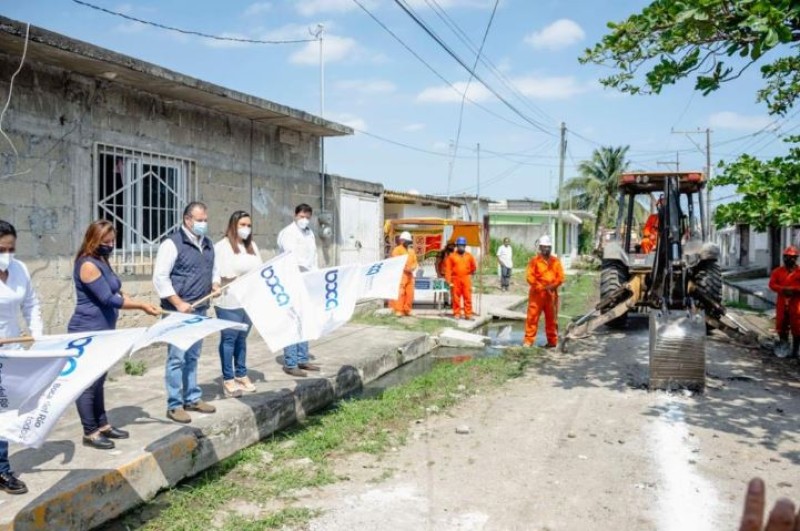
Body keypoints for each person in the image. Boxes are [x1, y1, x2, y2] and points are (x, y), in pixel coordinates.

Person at [69, 220, 160, 449]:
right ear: (93, 240)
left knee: (99, 380)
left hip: (104, 330)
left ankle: (103, 425)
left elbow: (117, 292)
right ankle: (90, 432)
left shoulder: (102, 261)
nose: (110, 245)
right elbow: (107, 299)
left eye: (113, 241)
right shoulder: (87, 264)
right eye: (105, 241)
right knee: (87, 383)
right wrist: (140, 306)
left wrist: (144, 304)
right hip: (87, 330)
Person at [153, 202, 221, 423]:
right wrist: (178, 302)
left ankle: (192, 397)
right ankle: (174, 404)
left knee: (193, 355)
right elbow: (160, 278)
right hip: (178, 312)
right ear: (187, 220)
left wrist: (215, 285)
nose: (203, 224)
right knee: (177, 358)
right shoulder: (172, 244)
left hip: (200, 308)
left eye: (205, 220)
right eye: (199, 220)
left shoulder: (208, 244)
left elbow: (214, 269)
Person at [0, 220, 40, 494]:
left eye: (11, 248)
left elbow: (31, 303)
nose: (7, 254)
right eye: (2, 249)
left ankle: (1, 470)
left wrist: (37, 337)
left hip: (10, 353)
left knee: (4, 412)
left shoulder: (19, 269)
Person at [214, 211, 261, 397]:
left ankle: (241, 373)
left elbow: (260, 269)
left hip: (248, 299)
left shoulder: (252, 246)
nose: (246, 229)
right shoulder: (222, 246)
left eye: (248, 225)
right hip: (229, 300)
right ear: (233, 225)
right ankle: (228, 378)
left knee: (242, 339)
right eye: (242, 225)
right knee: (229, 339)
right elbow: (217, 271)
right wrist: (216, 284)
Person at [277, 204, 319, 377]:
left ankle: (302, 358)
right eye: (301, 216)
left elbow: (314, 257)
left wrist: (315, 278)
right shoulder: (287, 233)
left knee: (304, 319)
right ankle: (290, 362)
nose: (304, 219)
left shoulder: (310, 233)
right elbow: (291, 256)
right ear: (295, 215)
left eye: (307, 217)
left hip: (306, 281)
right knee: (292, 321)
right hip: (290, 281)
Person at [523, 235, 564, 348]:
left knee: (551, 319)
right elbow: (529, 277)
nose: (547, 249)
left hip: (551, 294)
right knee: (532, 317)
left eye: (549, 247)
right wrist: (539, 286)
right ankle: (528, 341)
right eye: (545, 247)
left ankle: (552, 341)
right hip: (537, 294)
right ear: (540, 248)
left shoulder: (555, 262)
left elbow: (560, 277)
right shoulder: (534, 261)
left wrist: (553, 286)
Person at [768, 246, 800, 357]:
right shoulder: (777, 271)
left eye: (791, 257)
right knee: (781, 325)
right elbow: (772, 284)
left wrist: (794, 289)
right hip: (782, 303)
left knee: (797, 326)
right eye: (786, 257)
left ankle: (796, 350)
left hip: (796, 303)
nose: (788, 259)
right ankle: (784, 346)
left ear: (796, 258)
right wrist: (782, 289)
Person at [445, 236, 477, 320]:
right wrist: (448, 281)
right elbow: (448, 269)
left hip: (466, 278)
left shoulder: (469, 256)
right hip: (455, 279)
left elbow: (473, 267)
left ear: (465, 246)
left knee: (468, 297)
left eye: (462, 245)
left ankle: (468, 314)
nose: (461, 247)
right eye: (459, 245)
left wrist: (472, 272)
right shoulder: (451, 256)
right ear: (457, 246)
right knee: (456, 298)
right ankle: (457, 313)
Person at [391, 231, 418, 317]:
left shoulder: (411, 251)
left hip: (410, 275)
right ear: (401, 240)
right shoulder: (397, 250)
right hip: (401, 275)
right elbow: (396, 262)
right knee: (400, 293)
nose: (406, 242)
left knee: (410, 293)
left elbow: (415, 262)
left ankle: (407, 310)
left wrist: (413, 267)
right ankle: (399, 310)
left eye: (408, 241)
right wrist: (406, 269)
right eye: (405, 240)